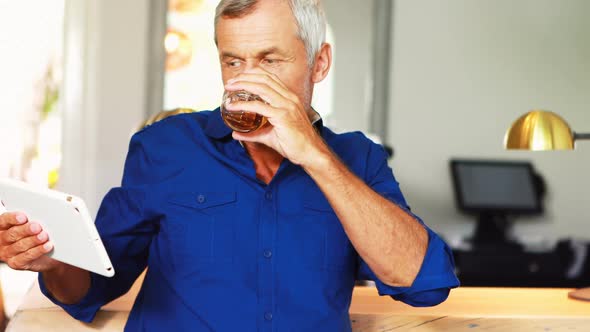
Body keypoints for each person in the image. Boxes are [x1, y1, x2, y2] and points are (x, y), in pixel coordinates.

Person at [0, 0, 459, 330]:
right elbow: (93, 286)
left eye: (270, 60)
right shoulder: (164, 147)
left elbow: (423, 286)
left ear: (319, 64)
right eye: (233, 61)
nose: (247, 79)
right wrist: (50, 261)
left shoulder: (358, 158)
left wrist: (314, 156)